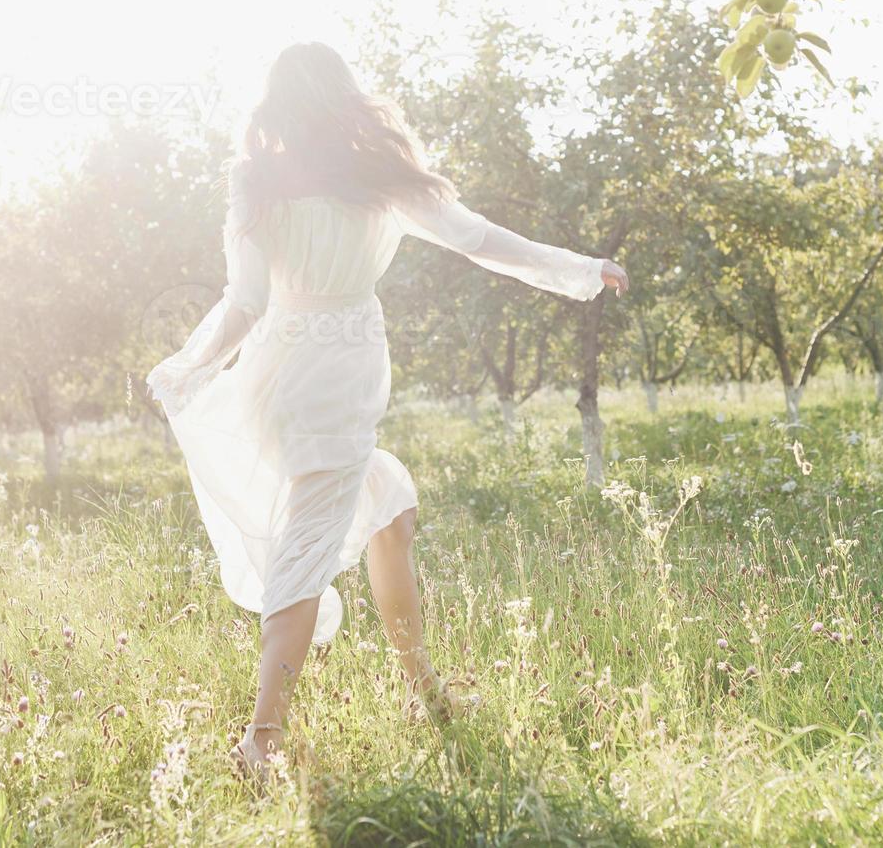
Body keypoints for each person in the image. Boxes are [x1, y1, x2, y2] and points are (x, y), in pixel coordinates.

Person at [146, 42, 629, 778]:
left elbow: (244, 302)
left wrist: (192, 362)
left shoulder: (256, 180)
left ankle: (421, 691)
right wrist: (579, 268)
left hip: (277, 377)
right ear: (346, 97)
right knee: (307, 544)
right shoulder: (377, 179)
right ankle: (261, 742)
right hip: (337, 375)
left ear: (277, 102)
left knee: (390, 504)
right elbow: (479, 241)